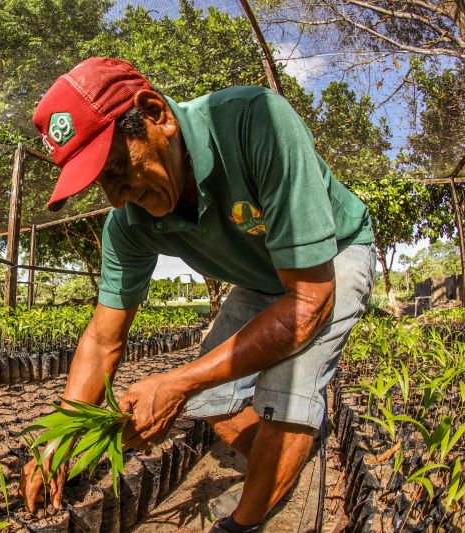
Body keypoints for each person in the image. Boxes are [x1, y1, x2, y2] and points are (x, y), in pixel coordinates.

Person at [19, 58, 375, 532]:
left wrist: (176, 382)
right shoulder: (127, 224)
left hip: (331, 256)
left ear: (155, 113)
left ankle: (245, 520)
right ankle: (292, 445)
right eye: (101, 185)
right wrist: (57, 441)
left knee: (289, 389)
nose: (118, 197)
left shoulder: (255, 122)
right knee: (213, 403)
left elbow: (309, 301)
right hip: (261, 279)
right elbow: (103, 339)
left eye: (118, 167)